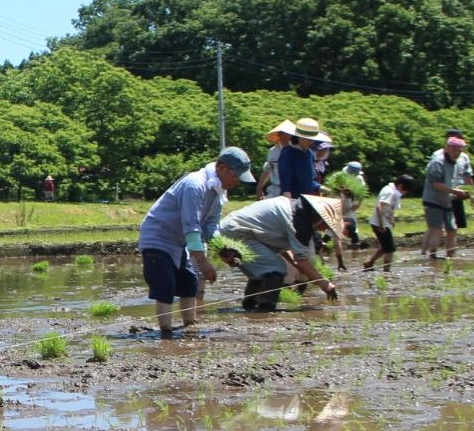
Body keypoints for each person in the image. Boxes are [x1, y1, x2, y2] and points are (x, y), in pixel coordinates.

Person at [136, 147, 253, 337]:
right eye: (236, 175)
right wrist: (203, 262)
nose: (237, 180)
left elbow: (210, 225)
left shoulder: (217, 191)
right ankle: (166, 333)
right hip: (157, 237)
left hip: (177, 241)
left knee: (188, 281)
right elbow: (191, 226)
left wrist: (223, 250)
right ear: (222, 167)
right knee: (165, 285)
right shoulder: (194, 185)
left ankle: (190, 325)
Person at [215, 194, 342, 311]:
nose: (325, 230)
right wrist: (324, 284)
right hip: (236, 233)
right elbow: (302, 260)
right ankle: (265, 309)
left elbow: (286, 252)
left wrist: (300, 267)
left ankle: (250, 305)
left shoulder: (294, 209)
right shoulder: (298, 223)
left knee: (263, 270)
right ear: (319, 218)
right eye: (327, 225)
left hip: (231, 229)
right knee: (276, 270)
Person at [423, 135, 472, 261]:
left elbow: (453, 182)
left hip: (447, 200)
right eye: (455, 150)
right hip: (433, 199)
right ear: (447, 148)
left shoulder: (455, 163)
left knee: (452, 228)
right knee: (437, 228)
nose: (457, 153)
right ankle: (433, 256)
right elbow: (436, 184)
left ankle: (450, 256)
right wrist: (454, 191)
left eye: (460, 150)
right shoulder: (437, 162)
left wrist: (464, 193)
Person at [362, 175, 412, 271]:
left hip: (383, 223)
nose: (404, 194)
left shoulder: (392, 191)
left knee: (386, 247)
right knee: (390, 249)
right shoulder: (389, 192)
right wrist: (381, 224)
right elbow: (379, 206)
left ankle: (369, 263)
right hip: (379, 224)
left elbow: (388, 208)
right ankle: (386, 270)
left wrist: (391, 219)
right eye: (405, 191)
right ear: (400, 186)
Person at [274, 118, 328, 200]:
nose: (311, 142)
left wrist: (327, 190)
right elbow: (286, 186)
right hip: (292, 200)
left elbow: (309, 182)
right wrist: (289, 205)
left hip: (306, 200)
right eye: (307, 139)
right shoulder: (287, 153)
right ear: (298, 137)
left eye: (312, 139)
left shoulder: (310, 153)